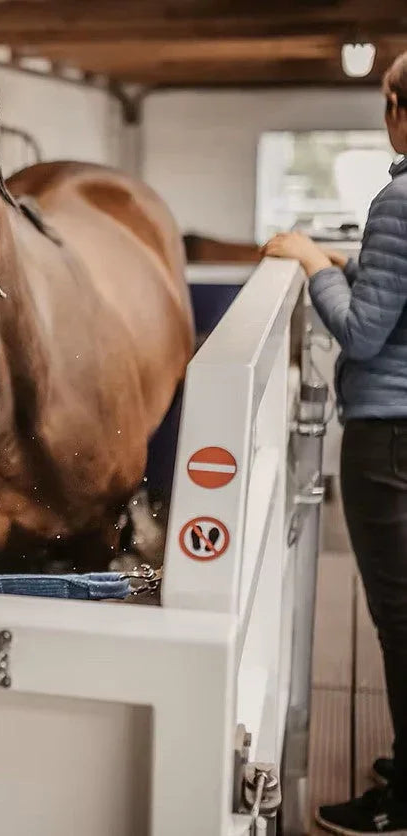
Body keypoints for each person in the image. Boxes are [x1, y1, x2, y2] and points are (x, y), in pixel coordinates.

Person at [264, 51, 407, 835]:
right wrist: (354, 266)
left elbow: (360, 329)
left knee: (399, 619)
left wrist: (318, 262)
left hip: (389, 438)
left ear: (396, 106)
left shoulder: (399, 200)